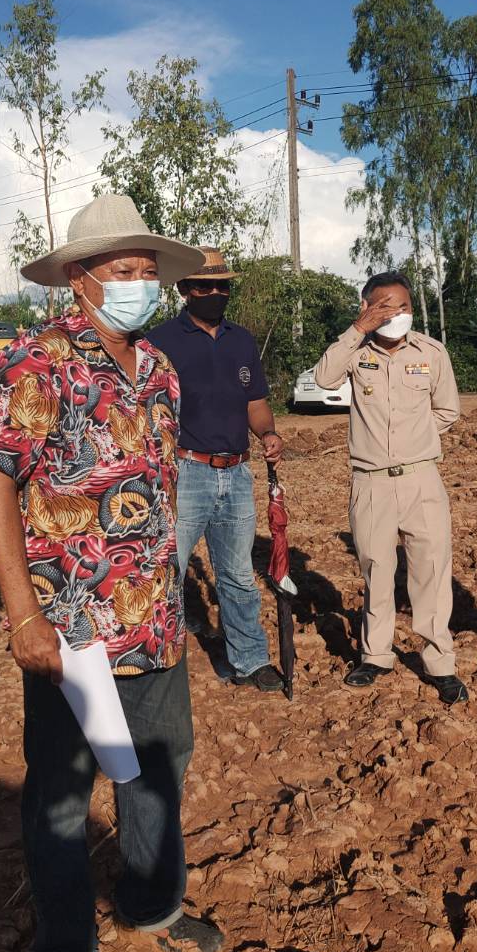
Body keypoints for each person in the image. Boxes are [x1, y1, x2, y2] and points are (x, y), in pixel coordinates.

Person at [0, 194, 224, 952]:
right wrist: (22, 614)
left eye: (148, 273)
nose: (140, 285)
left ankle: (154, 904)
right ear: (79, 279)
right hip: (71, 629)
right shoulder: (32, 363)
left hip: (153, 620)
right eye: (123, 271)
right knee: (64, 794)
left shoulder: (159, 370)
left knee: (156, 769)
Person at [312, 271, 466, 705]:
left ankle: (440, 663)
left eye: (403, 306)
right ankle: (376, 655)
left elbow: (447, 410)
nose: (396, 314)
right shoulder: (355, 351)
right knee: (377, 569)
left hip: (421, 479)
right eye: (385, 306)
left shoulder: (432, 353)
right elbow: (323, 378)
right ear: (366, 309)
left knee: (430, 572)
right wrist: (357, 330)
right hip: (371, 482)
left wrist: (416, 443)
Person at [145, 247, 285, 694]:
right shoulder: (158, 341)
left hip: (238, 475)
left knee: (239, 575)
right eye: (203, 286)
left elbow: (255, 404)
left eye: (221, 285)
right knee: (169, 570)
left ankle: (249, 660)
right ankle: (158, 663)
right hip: (186, 473)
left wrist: (267, 435)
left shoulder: (242, 341)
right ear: (184, 290)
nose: (214, 293)